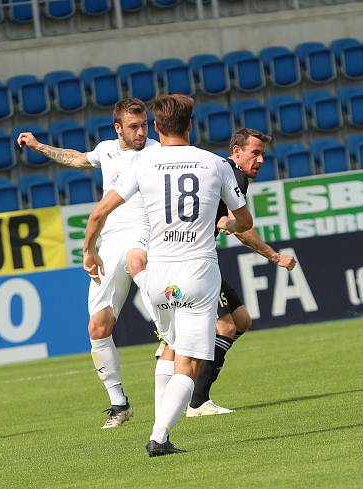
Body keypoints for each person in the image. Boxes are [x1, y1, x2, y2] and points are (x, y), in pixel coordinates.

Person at [83, 93, 253, 457]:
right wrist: (224, 221)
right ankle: (159, 437)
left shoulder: (143, 166)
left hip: (157, 278)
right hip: (197, 272)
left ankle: (154, 422)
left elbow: (98, 214)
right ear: (190, 126)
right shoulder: (215, 164)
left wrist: (88, 251)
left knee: (170, 348)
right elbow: (244, 221)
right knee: (187, 365)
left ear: (157, 127)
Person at [17, 98, 158, 428]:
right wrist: (38, 146)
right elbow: (78, 159)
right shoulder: (107, 150)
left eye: (145, 125)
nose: (141, 132)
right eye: (134, 127)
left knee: (146, 277)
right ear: (118, 128)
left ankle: (170, 338)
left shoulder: (157, 151)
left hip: (146, 233)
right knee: (97, 327)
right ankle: (119, 404)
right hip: (110, 242)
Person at [153, 129, 297, 418]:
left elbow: (227, 222)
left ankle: (190, 398)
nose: (259, 160)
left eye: (263, 155)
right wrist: (274, 255)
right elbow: (241, 228)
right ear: (236, 151)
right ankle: (195, 402)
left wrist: (225, 224)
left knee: (241, 320)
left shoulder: (224, 172)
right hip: (190, 262)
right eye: (254, 153)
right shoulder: (232, 175)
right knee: (225, 327)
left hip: (192, 261)